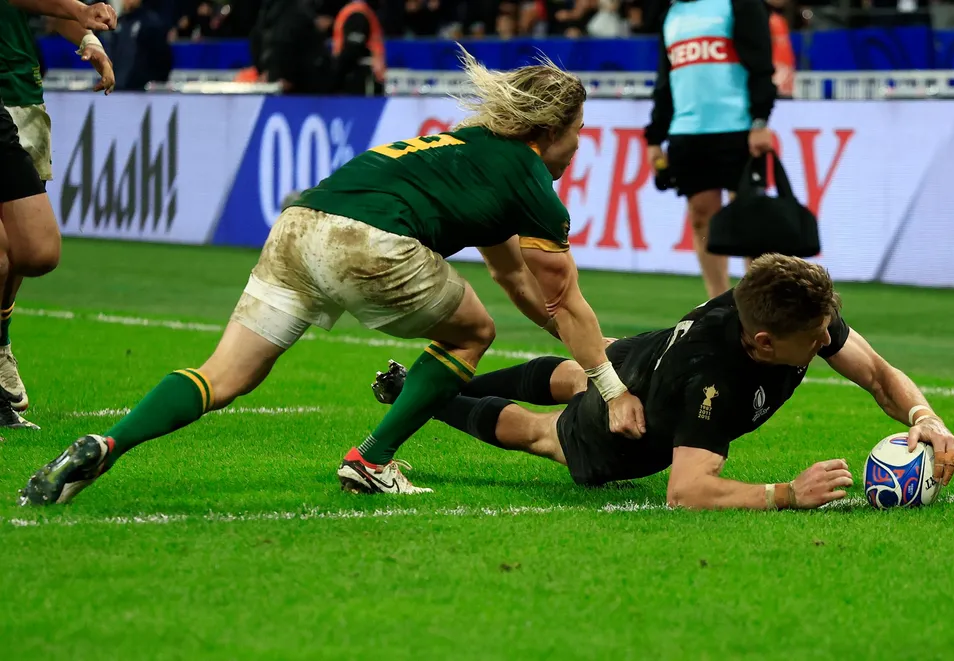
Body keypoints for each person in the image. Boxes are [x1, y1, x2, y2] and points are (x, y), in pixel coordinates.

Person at [18, 45, 646, 506]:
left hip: (297, 226)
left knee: (223, 376)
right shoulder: (532, 182)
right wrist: (613, 385)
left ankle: (108, 444)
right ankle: (373, 460)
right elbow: (563, 299)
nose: (579, 148)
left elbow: (522, 286)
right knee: (471, 333)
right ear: (549, 131)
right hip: (367, 241)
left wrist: (588, 350)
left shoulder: (470, 153)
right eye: (579, 135)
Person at [371, 254, 954, 510]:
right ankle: (411, 392)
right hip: (634, 419)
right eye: (816, 340)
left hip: (640, 354)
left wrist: (926, 417)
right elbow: (686, 490)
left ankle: (417, 384)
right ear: (763, 344)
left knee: (571, 371)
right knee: (540, 431)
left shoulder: (791, 312)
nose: (826, 344)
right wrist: (788, 492)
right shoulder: (717, 382)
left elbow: (878, 374)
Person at [0, 0, 115, 428]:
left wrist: (86, 36)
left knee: (29, 253)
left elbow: (44, 11)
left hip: (23, 98)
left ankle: (1, 342)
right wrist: (80, 12)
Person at [645, 0, 778, 299]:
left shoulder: (738, 5)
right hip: (688, 131)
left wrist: (759, 120)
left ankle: (758, 301)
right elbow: (666, 81)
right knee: (701, 217)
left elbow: (760, 64)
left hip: (738, 128)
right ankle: (717, 303)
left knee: (748, 218)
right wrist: (655, 138)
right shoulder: (671, 13)